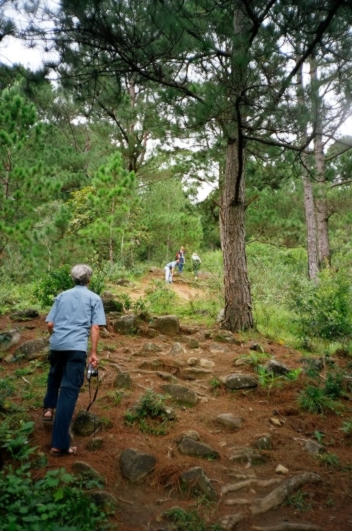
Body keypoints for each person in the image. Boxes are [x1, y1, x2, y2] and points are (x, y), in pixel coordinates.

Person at [42, 264, 106, 457]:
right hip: (76, 348)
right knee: (69, 392)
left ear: (72, 278)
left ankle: (48, 409)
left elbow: (50, 323)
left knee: (54, 374)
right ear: (89, 279)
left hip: (57, 344)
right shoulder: (94, 298)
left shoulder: (61, 296)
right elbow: (95, 328)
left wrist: (57, 338)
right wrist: (93, 353)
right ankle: (59, 445)